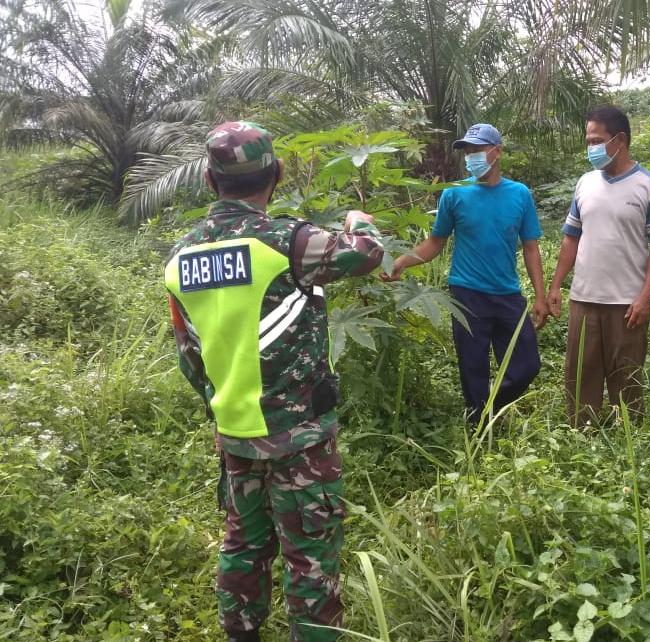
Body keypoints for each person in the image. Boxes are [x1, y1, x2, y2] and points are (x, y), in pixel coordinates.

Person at [164, 121, 384, 642]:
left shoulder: (181, 258)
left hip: (235, 431)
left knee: (243, 544)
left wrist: (224, 408)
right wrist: (361, 219)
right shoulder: (289, 241)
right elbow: (366, 253)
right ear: (277, 174)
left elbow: (189, 358)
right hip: (299, 435)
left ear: (208, 180)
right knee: (309, 557)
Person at [382, 123, 548, 423]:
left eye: (477, 150)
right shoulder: (454, 195)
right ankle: (478, 427)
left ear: (496, 152)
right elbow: (435, 243)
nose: (471, 157)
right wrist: (401, 262)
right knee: (473, 368)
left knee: (526, 365)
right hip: (466, 293)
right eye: (467, 151)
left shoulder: (519, 194)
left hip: (507, 294)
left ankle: (491, 409)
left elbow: (531, 248)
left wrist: (540, 296)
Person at [548, 106, 650, 423]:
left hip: (626, 303)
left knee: (627, 375)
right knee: (581, 374)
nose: (590, 148)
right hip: (584, 297)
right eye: (588, 140)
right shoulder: (585, 183)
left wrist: (645, 296)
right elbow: (570, 238)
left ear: (619, 140)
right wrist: (555, 285)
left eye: (596, 140)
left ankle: (629, 434)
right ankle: (583, 431)